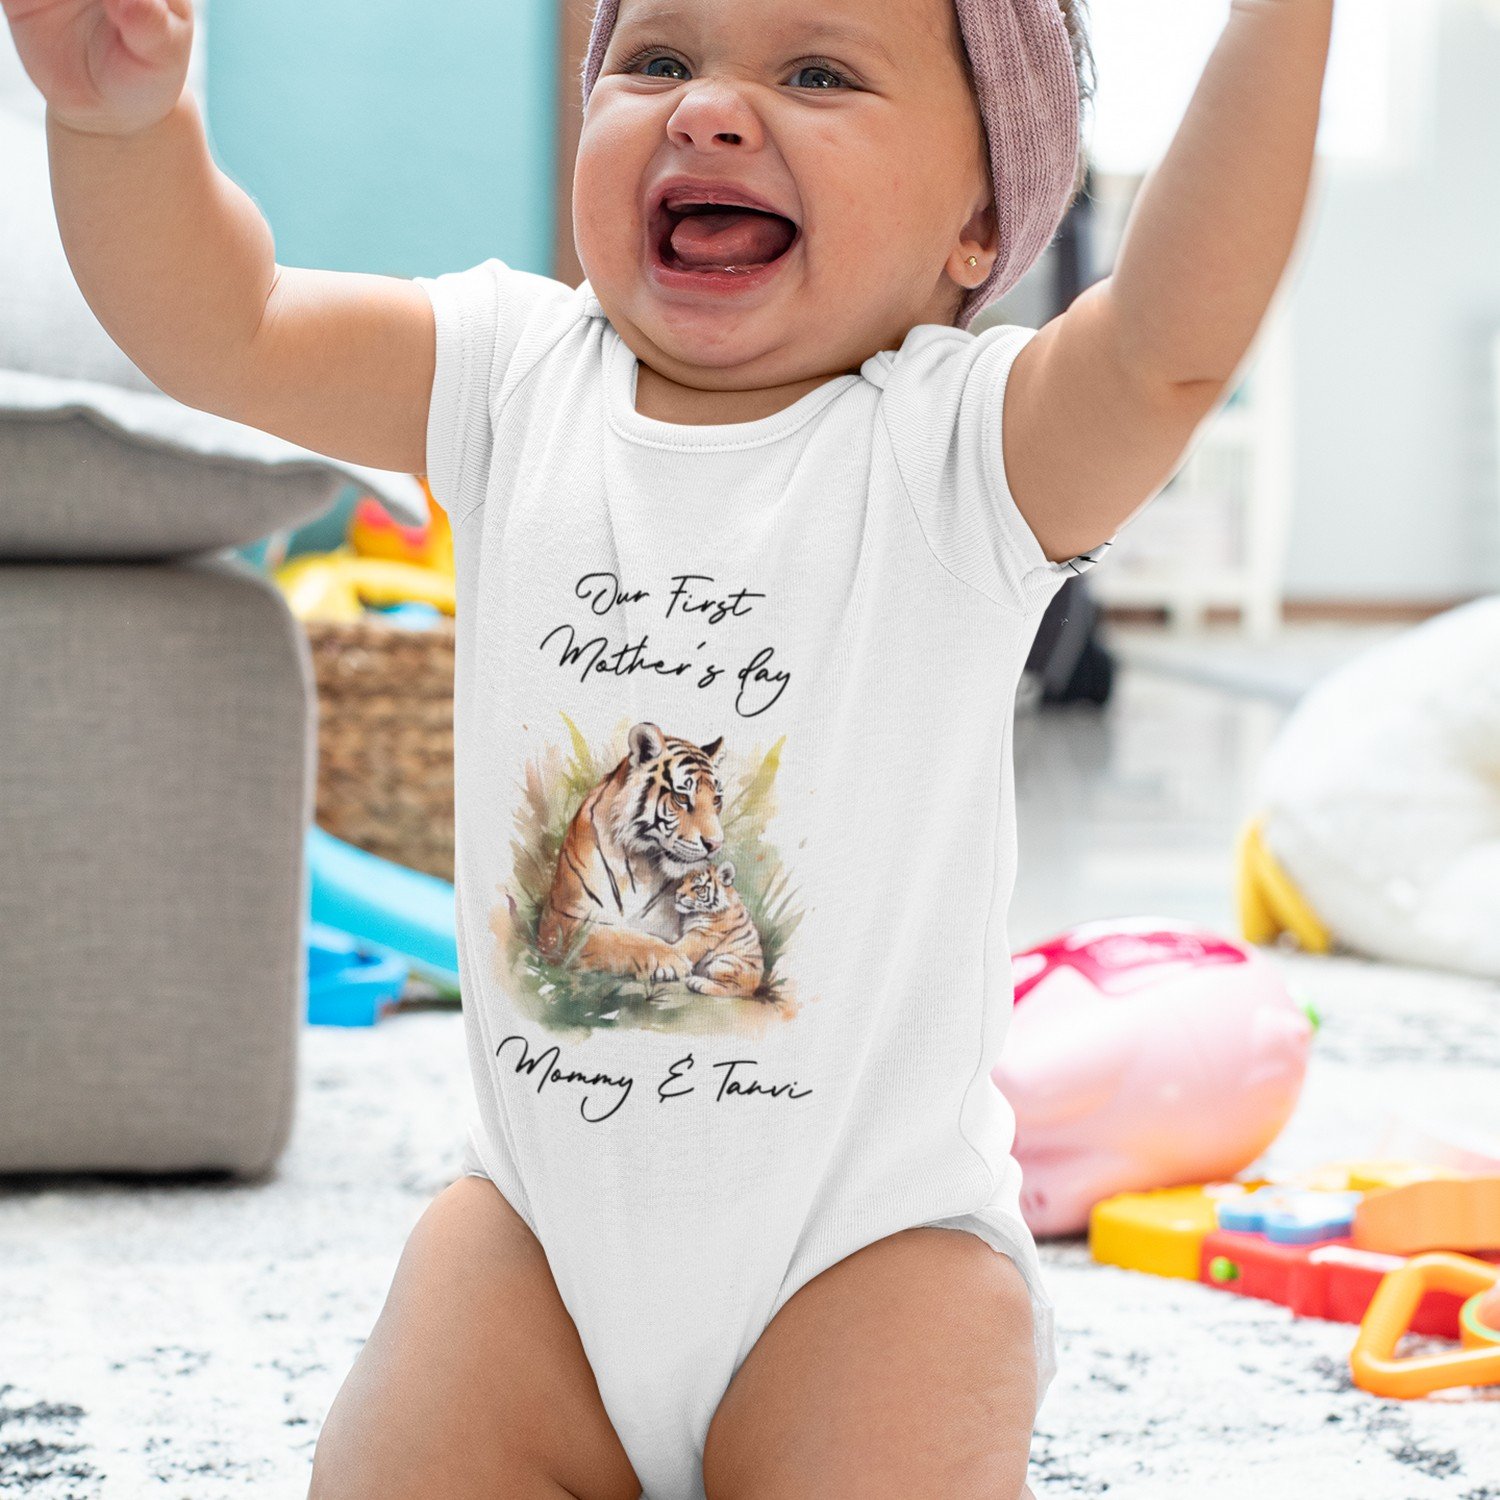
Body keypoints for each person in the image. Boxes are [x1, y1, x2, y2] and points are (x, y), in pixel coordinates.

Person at [2, 0, 1335, 1493]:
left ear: (981, 222)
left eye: (818, 72)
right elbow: (224, 322)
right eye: (655, 61)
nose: (707, 108)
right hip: (540, 1257)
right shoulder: (508, 375)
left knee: (933, 1339)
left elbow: (1166, 346)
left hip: (862, 1262)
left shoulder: (967, 451)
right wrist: (119, 124)